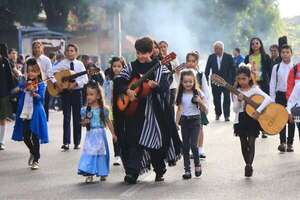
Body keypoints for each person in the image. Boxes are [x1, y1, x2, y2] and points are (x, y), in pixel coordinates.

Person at [114, 37, 181, 184]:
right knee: (135, 141)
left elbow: (165, 88)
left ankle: (159, 169)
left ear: (151, 52)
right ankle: (132, 172)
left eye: (144, 53)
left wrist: (155, 86)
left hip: (155, 112)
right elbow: (119, 81)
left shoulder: (161, 67)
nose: (141, 56)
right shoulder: (131, 67)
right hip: (135, 111)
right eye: (138, 53)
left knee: (155, 142)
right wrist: (127, 91)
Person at [233, 66, 272, 177]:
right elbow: (235, 109)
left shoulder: (255, 89)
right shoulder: (237, 91)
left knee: (251, 142)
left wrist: (258, 111)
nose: (241, 81)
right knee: (243, 143)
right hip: (240, 119)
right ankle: (247, 162)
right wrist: (239, 101)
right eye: (239, 79)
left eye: (244, 78)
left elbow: (268, 99)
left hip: (252, 119)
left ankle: (249, 165)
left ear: (249, 78)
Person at [11, 58, 49, 170]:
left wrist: (33, 92)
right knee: (26, 136)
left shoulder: (41, 84)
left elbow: (41, 98)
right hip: (25, 112)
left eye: (33, 71)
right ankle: (33, 152)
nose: (31, 73)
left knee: (35, 136)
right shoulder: (24, 82)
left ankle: (36, 159)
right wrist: (17, 90)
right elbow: (16, 92)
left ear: (38, 72)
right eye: (29, 71)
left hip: (36, 112)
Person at [78, 81, 117, 183]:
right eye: (87, 94)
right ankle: (89, 173)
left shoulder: (103, 109)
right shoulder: (84, 110)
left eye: (91, 94)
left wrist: (113, 134)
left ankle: (102, 172)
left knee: (101, 154)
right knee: (89, 153)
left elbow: (108, 122)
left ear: (98, 96)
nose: (88, 97)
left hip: (100, 134)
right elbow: (82, 123)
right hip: (90, 135)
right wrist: (84, 122)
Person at [53, 44, 88, 151]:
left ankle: (77, 142)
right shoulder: (62, 64)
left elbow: (85, 78)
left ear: (76, 53)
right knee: (66, 117)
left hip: (77, 93)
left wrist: (76, 83)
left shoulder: (80, 64)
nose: (69, 52)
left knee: (77, 117)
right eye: (68, 50)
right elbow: (51, 73)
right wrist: (57, 83)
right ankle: (66, 142)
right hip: (66, 93)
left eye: (72, 51)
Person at [175, 70, 204, 179]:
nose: (188, 84)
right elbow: (179, 109)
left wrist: (200, 101)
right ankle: (187, 170)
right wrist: (176, 122)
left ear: (194, 82)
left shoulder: (198, 93)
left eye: (190, 82)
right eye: (185, 82)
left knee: (193, 145)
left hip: (195, 120)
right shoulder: (180, 94)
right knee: (185, 146)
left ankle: (197, 164)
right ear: (182, 82)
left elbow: (205, 109)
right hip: (185, 121)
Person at [269, 45, 297, 152]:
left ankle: (290, 143)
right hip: (280, 95)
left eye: (287, 52)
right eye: (283, 52)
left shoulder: (295, 68)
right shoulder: (276, 68)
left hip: (292, 96)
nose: (285, 54)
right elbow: (272, 84)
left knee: (291, 119)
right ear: (280, 54)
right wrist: (272, 99)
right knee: (281, 119)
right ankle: (282, 142)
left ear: (291, 53)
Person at [244, 37, 272, 138]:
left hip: (263, 84)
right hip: (252, 85)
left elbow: (270, 71)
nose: (255, 45)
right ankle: (254, 128)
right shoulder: (248, 57)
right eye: (253, 44)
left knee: (263, 105)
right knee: (252, 105)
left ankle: (264, 129)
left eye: (257, 43)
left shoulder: (265, 57)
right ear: (251, 46)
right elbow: (244, 72)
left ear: (260, 44)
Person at [185, 51, 209, 159]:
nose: (191, 63)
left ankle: (200, 149)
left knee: (200, 127)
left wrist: (205, 104)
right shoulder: (183, 74)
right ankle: (192, 149)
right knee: (189, 129)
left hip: (199, 104)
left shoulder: (200, 74)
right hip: (187, 105)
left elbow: (206, 90)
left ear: (197, 62)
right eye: (189, 61)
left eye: (193, 61)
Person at [205, 41, 235, 121]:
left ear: (222, 49)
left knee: (226, 99)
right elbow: (207, 69)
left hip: (226, 82)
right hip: (215, 82)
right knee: (216, 99)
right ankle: (218, 113)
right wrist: (206, 80)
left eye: (217, 49)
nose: (216, 50)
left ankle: (227, 116)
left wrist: (233, 81)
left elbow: (233, 70)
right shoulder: (211, 57)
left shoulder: (228, 57)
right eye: (215, 49)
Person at [103, 57, 125, 166]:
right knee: (114, 132)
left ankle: (124, 152)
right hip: (111, 108)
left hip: (123, 108)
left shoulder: (126, 79)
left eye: (119, 66)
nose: (116, 69)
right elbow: (105, 96)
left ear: (123, 67)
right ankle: (117, 155)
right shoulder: (108, 80)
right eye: (114, 66)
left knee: (124, 131)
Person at [32, 41, 53, 121]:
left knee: (44, 107)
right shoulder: (29, 60)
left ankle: (44, 125)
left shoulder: (46, 60)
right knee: (33, 108)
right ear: (33, 49)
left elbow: (50, 74)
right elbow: (26, 74)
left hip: (44, 86)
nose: (37, 49)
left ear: (42, 48)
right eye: (35, 47)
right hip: (31, 86)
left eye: (38, 47)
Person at [0, 44, 14, 150]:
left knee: (2, 118)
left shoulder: (5, 61)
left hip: (3, 94)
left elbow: (10, 79)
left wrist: (11, 93)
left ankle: (1, 141)